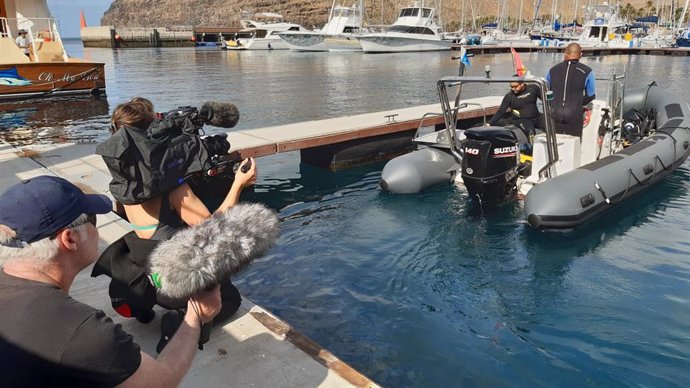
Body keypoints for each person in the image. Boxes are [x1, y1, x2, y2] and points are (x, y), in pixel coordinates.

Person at [0, 175, 222, 387]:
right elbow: (160, 381)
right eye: (92, 220)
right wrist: (196, 315)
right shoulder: (83, 333)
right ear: (70, 238)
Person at [96, 97, 256, 351]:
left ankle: (136, 306)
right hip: (174, 285)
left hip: (149, 273)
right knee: (230, 300)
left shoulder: (125, 183)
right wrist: (239, 183)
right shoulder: (173, 190)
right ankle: (182, 322)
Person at [546, 42, 596, 138]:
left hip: (555, 111)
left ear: (565, 53)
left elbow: (546, 91)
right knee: (573, 144)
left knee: (555, 142)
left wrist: (553, 102)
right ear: (580, 55)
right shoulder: (587, 71)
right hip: (574, 112)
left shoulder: (552, 70)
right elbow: (591, 95)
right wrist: (579, 103)